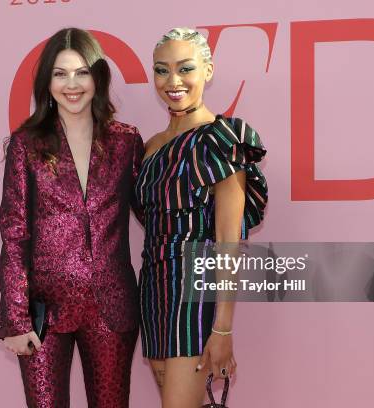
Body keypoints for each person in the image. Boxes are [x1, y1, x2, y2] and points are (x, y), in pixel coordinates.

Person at [0, 27, 144, 408]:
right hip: (44, 312)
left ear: (98, 78)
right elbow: (14, 235)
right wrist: (15, 318)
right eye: (60, 74)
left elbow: (151, 212)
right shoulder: (26, 145)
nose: (72, 84)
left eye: (81, 72)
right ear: (47, 82)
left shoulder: (126, 141)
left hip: (111, 308)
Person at [135, 27, 268, 407]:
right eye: (162, 70)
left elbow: (229, 242)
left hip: (193, 291)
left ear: (208, 71)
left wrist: (222, 329)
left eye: (185, 68)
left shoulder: (220, 140)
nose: (172, 81)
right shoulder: (150, 147)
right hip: (154, 291)